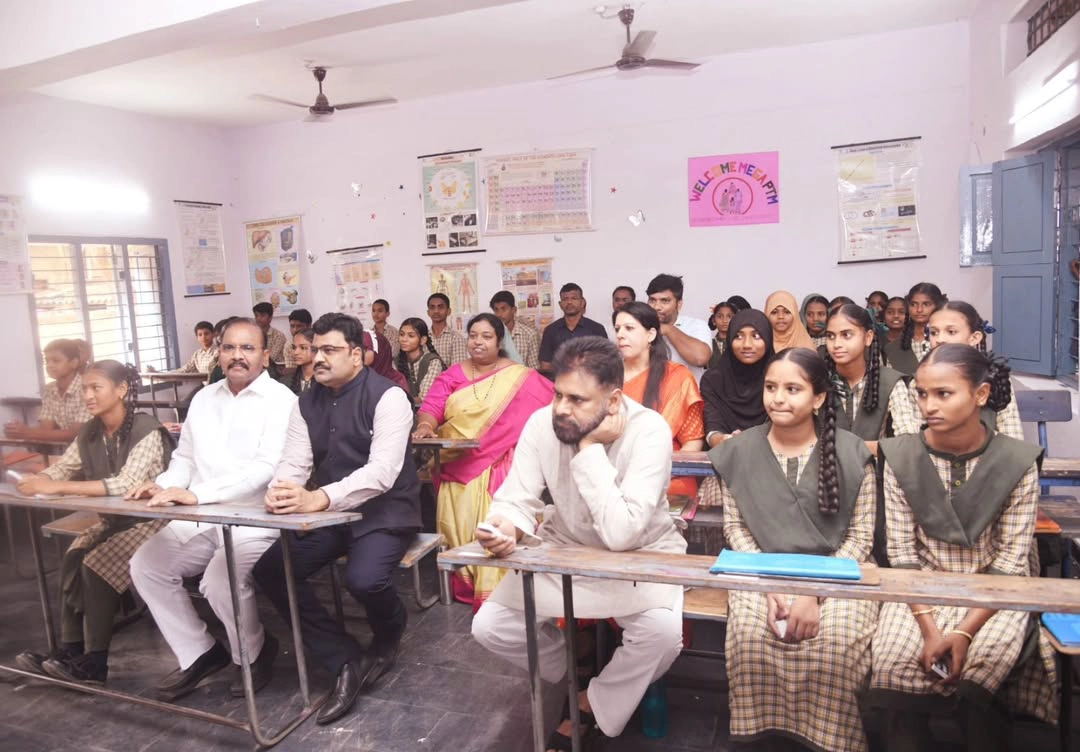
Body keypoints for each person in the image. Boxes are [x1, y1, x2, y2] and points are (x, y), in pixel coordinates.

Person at [471, 336, 686, 750]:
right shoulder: (542, 424)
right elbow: (517, 499)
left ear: (613, 400)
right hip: (566, 551)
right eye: (557, 394)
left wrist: (589, 449)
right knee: (490, 626)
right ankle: (574, 664)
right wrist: (503, 527)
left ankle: (590, 703)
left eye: (577, 399)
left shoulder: (649, 431)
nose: (561, 409)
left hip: (640, 559)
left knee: (662, 635)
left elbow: (623, 534)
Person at [868, 344, 1058, 750]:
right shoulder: (901, 456)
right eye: (921, 394)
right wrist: (932, 628)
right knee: (895, 673)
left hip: (995, 593)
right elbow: (902, 556)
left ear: (981, 395)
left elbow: (1010, 562)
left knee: (978, 680)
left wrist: (963, 633)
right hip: (919, 593)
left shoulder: (1017, 461)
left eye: (943, 393)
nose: (928, 406)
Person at [253, 313, 421, 726]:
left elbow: (382, 472)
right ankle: (343, 657)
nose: (319, 358)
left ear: (358, 356)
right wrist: (284, 489)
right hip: (331, 511)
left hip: (383, 509)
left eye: (330, 350)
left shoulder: (389, 397)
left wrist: (319, 497)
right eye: (316, 350)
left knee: (363, 580)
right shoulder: (305, 401)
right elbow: (294, 460)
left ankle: (389, 630)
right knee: (271, 569)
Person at [710, 347, 878, 752]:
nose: (778, 398)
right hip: (759, 569)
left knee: (835, 641)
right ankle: (762, 741)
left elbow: (860, 538)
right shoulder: (740, 450)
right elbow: (736, 527)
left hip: (839, 574)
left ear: (819, 397)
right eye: (771, 387)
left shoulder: (853, 453)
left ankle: (830, 742)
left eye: (792, 388)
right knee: (750, 636)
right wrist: (770, 588)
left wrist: (813, 593)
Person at [127, 318, 296, 702]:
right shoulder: (204, 399)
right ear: (218, 353)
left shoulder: (282, 401)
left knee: (220, 580)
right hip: (200, 515)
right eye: (229, 347)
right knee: (147, 566)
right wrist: (166, 486)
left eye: (248, 348)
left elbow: (265, 469)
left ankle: (253, 653)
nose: (237, 356)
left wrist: (197, 495)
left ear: (266, 356)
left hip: (256, 517)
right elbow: (184, 457)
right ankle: (200, 653)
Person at [12, 361, 174, 685]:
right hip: (117, 522)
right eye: (85, 388)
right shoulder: (91, 430)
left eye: (95, 387)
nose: (87, 395)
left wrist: (54, 487)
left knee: (95, 564)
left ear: (122, 390)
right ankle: (70, 651)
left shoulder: (147, 429)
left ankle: (95, 664)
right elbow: (64, 468)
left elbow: (125, 484)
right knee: (74, 556)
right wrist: (37, 478)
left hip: (156, 522)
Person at [413, 313, 553, 607]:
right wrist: (426, 425)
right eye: (473, 335)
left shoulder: (522, 376)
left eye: (486, 336)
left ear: (500, 341)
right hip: (456, 464)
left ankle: (505, 589)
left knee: (499, 519)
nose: (478, 341)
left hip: (501, 461)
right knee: (460, 525)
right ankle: (470, 582)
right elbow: (432, 406)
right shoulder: (452, 374)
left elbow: (554, 405)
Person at [614, 302, 704, 498]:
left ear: (651, 335)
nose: (620, 334)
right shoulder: (605, 379)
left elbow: (693, 441)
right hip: (614, 478)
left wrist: (657, 473)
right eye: (617, 329)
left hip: (669, 479)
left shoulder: (677, 377)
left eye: (629, 328)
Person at [825, 304, 920, 453]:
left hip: (876, 473)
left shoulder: (890, 381)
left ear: (868, 337)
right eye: (831, 336)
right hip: (825, 473)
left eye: (846, 335)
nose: (836, 344)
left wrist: (856, 449)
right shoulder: (817, 382)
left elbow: (908, 441)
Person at [927, 301, 1022, 441]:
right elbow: (916, 442)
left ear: (975, 338)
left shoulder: (994, 376)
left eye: (951, 332)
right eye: (934, 332)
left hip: (990, 460)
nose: (940, 339)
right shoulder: (921, 381)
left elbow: (1013, 439)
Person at [700, 309, 775, 448]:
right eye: (738, 336)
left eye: (756, 336)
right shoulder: (713, 380)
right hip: (723, 457)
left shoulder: (779, 378)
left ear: (768, 339)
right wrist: (721, 439)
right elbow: (712, 424)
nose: (747, 344)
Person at [5, 339, 91, 442]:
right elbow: (46, 429)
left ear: (73, 363)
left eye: (56, 361)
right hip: (65, 449)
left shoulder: (86, 388)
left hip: (91, 449)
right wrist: (17, 430)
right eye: (47, 361)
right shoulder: (50, 389)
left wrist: (27, 432)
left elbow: (76, 434)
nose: (49, 365)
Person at [645, 273, 711, 380]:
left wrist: (668, 329)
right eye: (652, 300)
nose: (657, 307)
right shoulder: (640, 328)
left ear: (679, 304)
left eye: (664, 301)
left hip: (687, 395)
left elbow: (700, 358)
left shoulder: (695, 325)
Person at [538, 284, 607, 373]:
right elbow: (545, 365)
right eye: (565, 299)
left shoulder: (596, 329)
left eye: (574, 298)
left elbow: (606, 361)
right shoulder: (551, 331)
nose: (569, 302)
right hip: (560, 383)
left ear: (582, 302)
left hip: (590, 383)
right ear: (560, 304)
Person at [883, 282, 946, 375]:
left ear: (937, 306)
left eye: (926, 304)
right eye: (913, 304)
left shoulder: (946, 342)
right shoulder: (893, 348)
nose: (919, 310)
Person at [396, 318, 446, 407]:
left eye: (411, 336)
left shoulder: (432, 362)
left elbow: (423, 398)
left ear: (423, 340)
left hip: (427, 412)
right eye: (401, 334)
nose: (404, 339)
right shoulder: (395, 362)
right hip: (401, 412)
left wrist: (398, 402)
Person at [490, 290, 540, 370]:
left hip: (522, 380)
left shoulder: (530, 335)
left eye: (503, 309)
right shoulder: (489, 335)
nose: (499, 314)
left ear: (514, 310)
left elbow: (534, 369)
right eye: (496, 310)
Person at [427, 293, 468, 365]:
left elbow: (457, 370)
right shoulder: (422, 338)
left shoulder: (456, 339)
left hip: (448, 376)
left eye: (440, 307)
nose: (436, 311)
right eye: (432, 307)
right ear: (428, 312)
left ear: (449, 311)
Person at [253, 302, 289, 366]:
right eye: (256, 315)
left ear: (270, 318)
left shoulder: (278, 336)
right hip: (258, 367)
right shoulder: (253, 335)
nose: (258, 318)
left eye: (262, 315)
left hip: (276, 369)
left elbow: (271, 358)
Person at [706, 300, 736, 370]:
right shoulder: (708, 345)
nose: (725, 320)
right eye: (720, 316)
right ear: (714, 321)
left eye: (729, 316)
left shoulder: (740, 343)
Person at [287, 328, 316, 394]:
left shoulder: (327, 382)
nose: (296, 352)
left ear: (316, 348)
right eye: (294, 347)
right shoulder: (285, 382)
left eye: (303, 348)